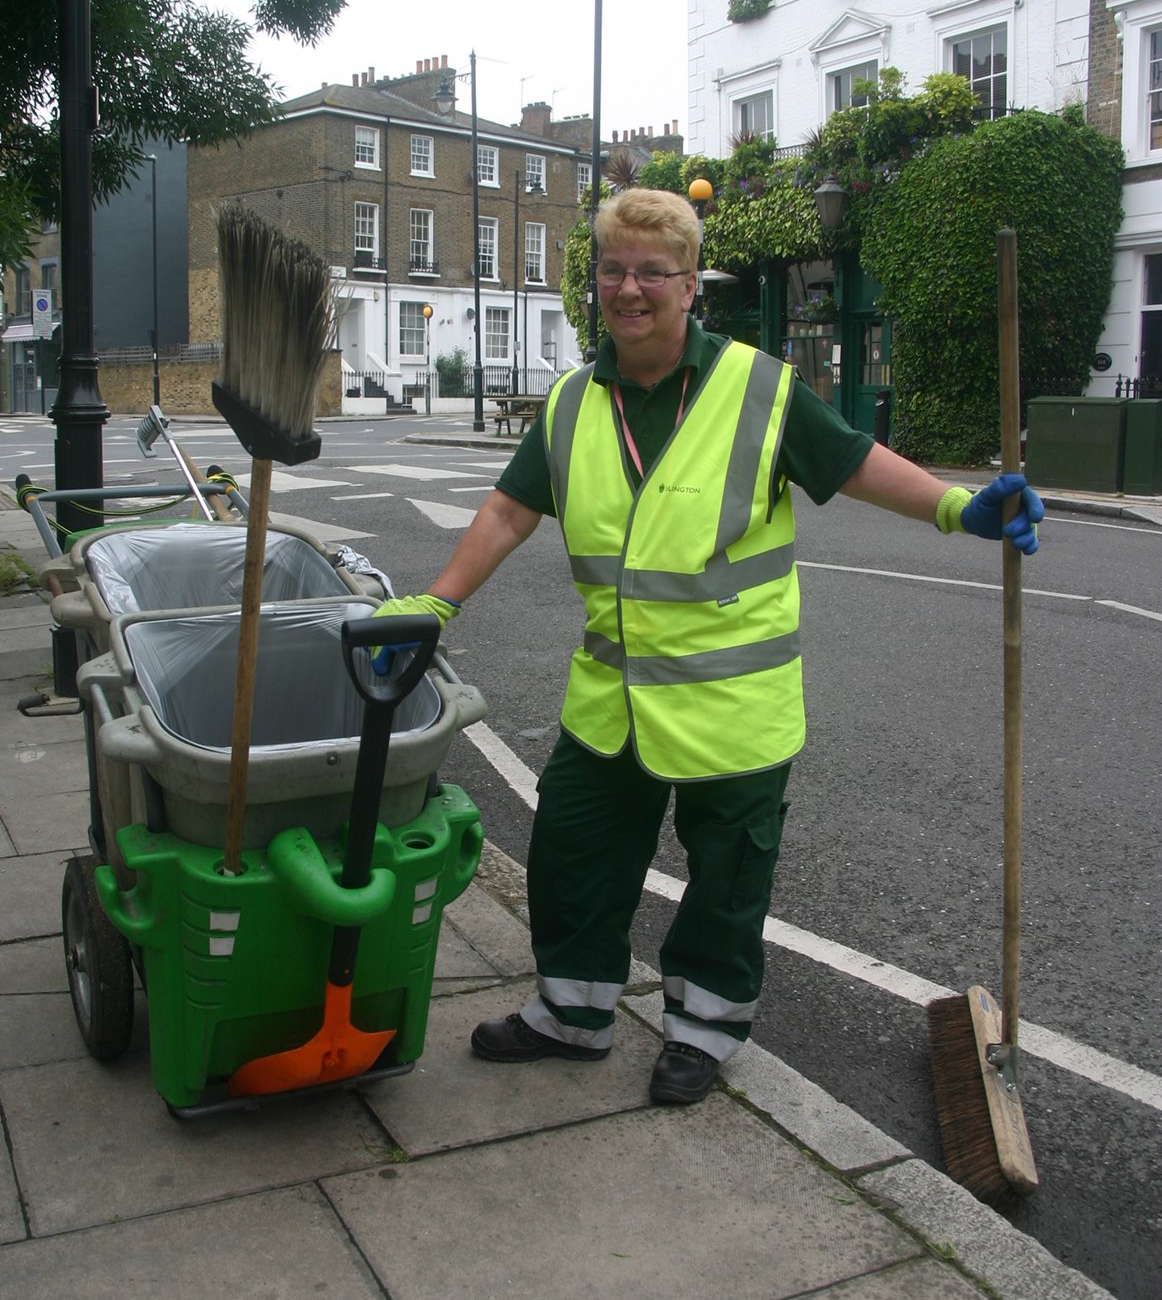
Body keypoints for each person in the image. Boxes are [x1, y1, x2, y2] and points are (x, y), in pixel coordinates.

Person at [374, 188, 1043, 1106]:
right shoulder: (572, 402)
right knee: (570, 856)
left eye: (654, 271)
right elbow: (506, 509)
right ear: (596, 282)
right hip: (612, 701)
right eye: (614, 268)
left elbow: (852, 462)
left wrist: (959, 508)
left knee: (726, 883)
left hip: (734, 704)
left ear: (691, 287)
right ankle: (572, 1013)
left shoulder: (759, 387)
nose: (631, 288)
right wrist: (435, 604)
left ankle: (705, 1029)